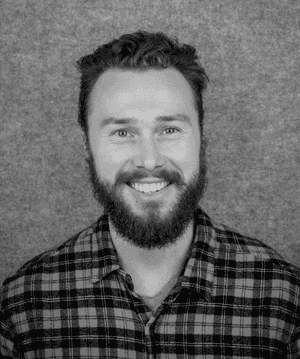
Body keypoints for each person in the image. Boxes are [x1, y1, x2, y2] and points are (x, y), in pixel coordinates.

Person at [1, 30, 300, 358]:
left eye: (169, 130)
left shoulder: (285, 301)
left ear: (202, 139)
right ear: (88, 147)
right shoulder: (22, 307)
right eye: (122, 132)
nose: (149, 160)